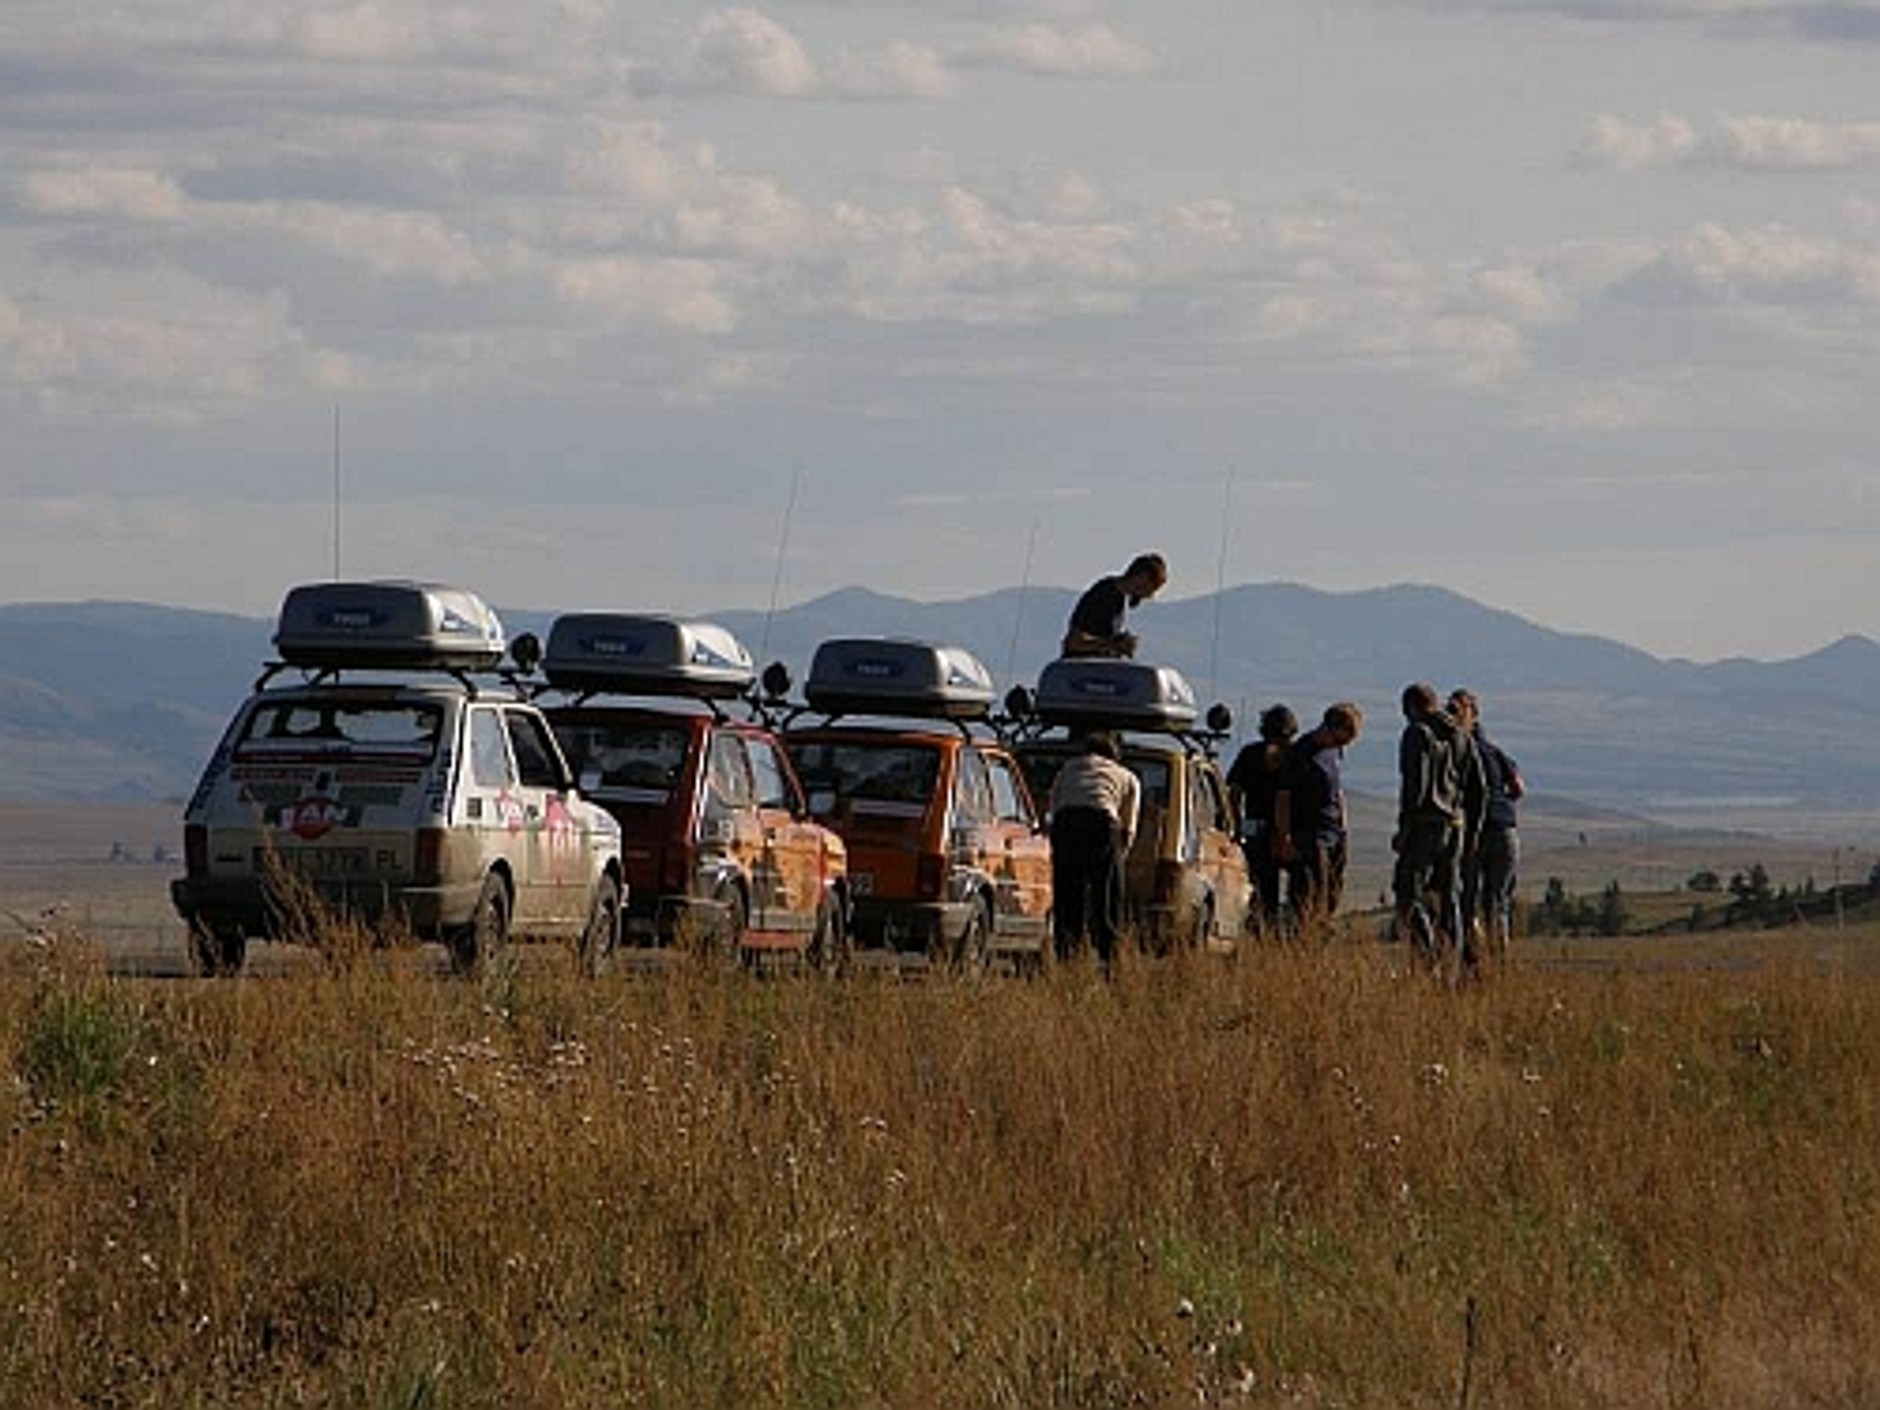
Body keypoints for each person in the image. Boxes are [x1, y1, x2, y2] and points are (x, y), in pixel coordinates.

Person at [1394, 683, 1486, 974]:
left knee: (1408, 891)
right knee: (1449, 896)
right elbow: (1479, 790)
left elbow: (1415, 787)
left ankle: (1426, 956)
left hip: (1425, 823)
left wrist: (1404, 829)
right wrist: (1472, 832)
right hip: (1455, 824)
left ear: (1411, 708)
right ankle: (1454, 962)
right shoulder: (1462, 735)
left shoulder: (1417, 733)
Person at [1047, 730, 1141, 968]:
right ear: (1114, 755)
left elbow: (1053, 806)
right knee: (1107, 896)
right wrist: (1120, 856)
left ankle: (1066, 956)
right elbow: (1129, 828)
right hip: (1101, 823)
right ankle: (1107, 961)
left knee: (1068, 896)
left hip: (1066, 823)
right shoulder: (1126, 777)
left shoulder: (1068, 768)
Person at [1448, 688, 1523, 960]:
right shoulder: (1495, 752)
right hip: (1504, 830)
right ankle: (1497, 961)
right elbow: (1518, 787)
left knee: (1467, 900)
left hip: (1472, 833)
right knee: (1498, 903)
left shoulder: (1454, 753)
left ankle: (1472, 961)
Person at [1286, 702, 1363, 930]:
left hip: (1334, 831)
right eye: (1344, 737)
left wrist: (1343, 826)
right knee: (1310, 891)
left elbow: (1337, 789)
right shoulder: (1301, 752)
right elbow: (1284, 796)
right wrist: (1285, 835)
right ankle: (1303, 935)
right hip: (1309, 833)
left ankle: (1321, 929)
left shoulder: (1334, 751)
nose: (1346, 744)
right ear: (1330, 727)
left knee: (1333, 888)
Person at [1226, 703, 1300, 935]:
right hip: (1285, 831)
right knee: (1290, 889)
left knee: (1261, 888)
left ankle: (1263, 932)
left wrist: (1236, 823)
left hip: (1257, 828)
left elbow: (1234, 793)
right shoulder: (1295, 757)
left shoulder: (1250, 754)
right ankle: (1280, 933)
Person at [1061, 553, 1168, 658]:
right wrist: (1114, 645)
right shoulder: (1103, 595)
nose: (1150, 596)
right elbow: (1073, 643)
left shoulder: (1120, 598)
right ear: (1141, 578)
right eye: (1152, 589)